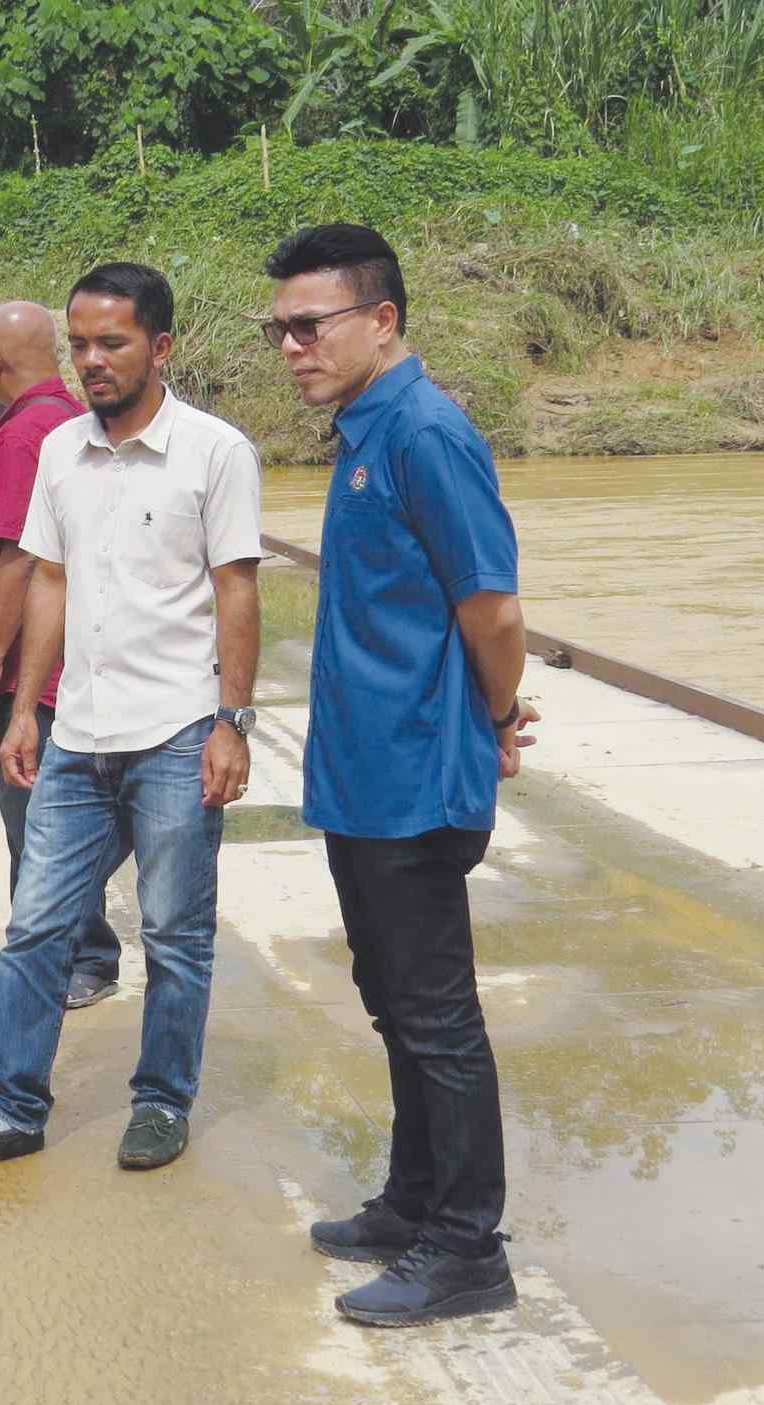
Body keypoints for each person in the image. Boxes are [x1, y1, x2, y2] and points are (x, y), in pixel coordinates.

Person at [0, 263, 263, 1175]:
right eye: (79, 344)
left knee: (175, 931)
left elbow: (236, 590)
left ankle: (160, 1101)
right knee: (36, 927)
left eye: (112, 343)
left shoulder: (215, 453)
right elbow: (51, 581)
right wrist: (28, 706)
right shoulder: (62, 450)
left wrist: (233, 721)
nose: (92, 361)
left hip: (179, 731)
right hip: (77, 733)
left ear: (161, 347)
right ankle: (13, 1108)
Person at [263, 223, 538, 1328]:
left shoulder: (424, 432)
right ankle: (413, 1199)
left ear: (380, 320)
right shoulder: (361, 429)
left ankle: (467, 1248)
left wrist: (495, 713)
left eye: (307, 325)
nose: (289, 346)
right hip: (362, 776)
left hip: (413, 783)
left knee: (433, 1015)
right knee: (389, 1000)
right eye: (277, 328)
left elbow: (493, 608)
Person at [0, 299, 121, 1012]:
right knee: (43, 821)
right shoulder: (62, 421)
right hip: (54, 660)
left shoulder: (26, 436)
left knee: (39, 824)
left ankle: (79, 956)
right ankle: (35, 950)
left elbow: (20, 559)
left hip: (29, 668)